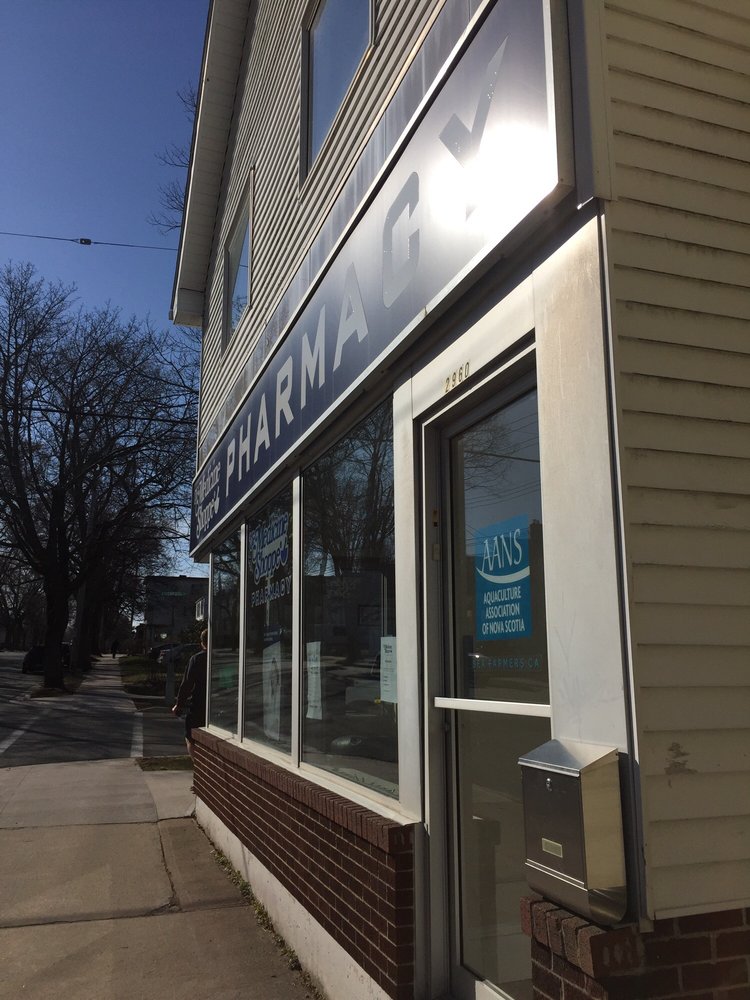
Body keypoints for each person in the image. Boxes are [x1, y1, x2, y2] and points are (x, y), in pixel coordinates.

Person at [172, 630, 208, 759]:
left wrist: (179, 705)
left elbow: (187, 684)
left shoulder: (197, 659)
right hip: (219, 707)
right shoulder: (222, 658)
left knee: (190, 737)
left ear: (202, 643)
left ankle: (197, 765)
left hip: (199, 706)